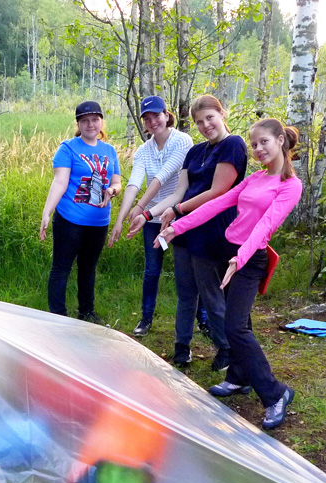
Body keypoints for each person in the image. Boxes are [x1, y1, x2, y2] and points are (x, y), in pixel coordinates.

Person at [157, 118, 302, 430]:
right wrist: (175, 228)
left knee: (235, 327)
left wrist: (241, 258)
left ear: (280, 140)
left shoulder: (290, 186)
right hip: (228, 252)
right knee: (236, 320)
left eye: (264, 141)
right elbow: (217, 203)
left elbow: (266, 226)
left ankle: (275, 393)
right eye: (254, 144)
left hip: (249, 260)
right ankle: (238, 377)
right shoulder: (254, 179)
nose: (258, 149)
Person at [128, 95, 247, 370]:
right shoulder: (195, 151)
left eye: (210, 118)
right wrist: (149, 214)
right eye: (199, 122)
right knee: (185, 293)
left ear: (222, 114)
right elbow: (179, 191)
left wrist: (180, 209)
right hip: (183, 231)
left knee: (210, 292)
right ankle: (182, 346)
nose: (206, 125)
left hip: (213, 231)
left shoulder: (233, 145)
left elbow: (218, 191)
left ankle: (226, 348)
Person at [107, 95, 193, 337]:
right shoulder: (143, 151)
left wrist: (141, 208)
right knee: (152, 269)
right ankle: (146, 319)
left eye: (156, 115)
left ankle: (203, 318)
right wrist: (120, 221)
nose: (152, 121)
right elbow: (134, 183)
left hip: (179, 213)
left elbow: (163, 176)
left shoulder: (183, 141)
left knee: (188, 271)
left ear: (166, 115)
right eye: (147, 118)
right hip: (153, 218)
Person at [39, 101, 121, 323]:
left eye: (95, 119)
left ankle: (87, 311)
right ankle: (58, 316)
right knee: (61, 268)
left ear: (101, 122)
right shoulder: (68, 148)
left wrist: (112, 190)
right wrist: (47, 212)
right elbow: (59, 182)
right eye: (85, 120)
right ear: (78, 123)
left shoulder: (109, 150)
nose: (90, 124)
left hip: (99, 221)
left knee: (88, 267)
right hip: (70, 219)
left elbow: (117, 182)